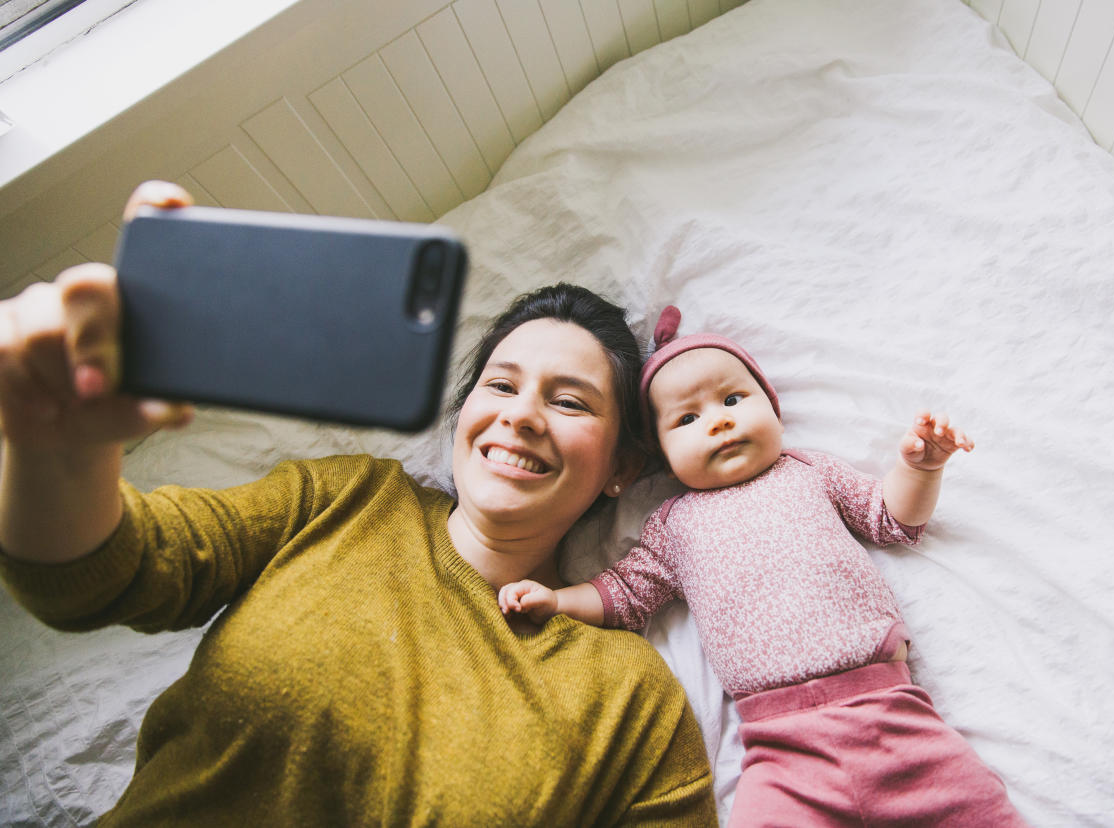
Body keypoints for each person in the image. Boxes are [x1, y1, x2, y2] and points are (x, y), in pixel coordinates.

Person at [0, 182, 716, 826]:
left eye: (567, 401)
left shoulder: (630, 702)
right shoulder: (345, 498)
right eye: (499, 387)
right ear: (463, 415)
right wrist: (56, 446)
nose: (521, 417)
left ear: (622, 466)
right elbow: (107, 575)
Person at [499, 305, 1029, 826]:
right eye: (688, 418)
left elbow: (891, 518)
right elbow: (623, 594)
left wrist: (919, 468)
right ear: (661, 453)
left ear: (772, 408)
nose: (720, 420)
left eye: (733, 398)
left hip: (889, 713)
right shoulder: (673, 527)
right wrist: (556, 600)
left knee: (977, 806)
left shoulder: (808, 473)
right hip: (781, 750)